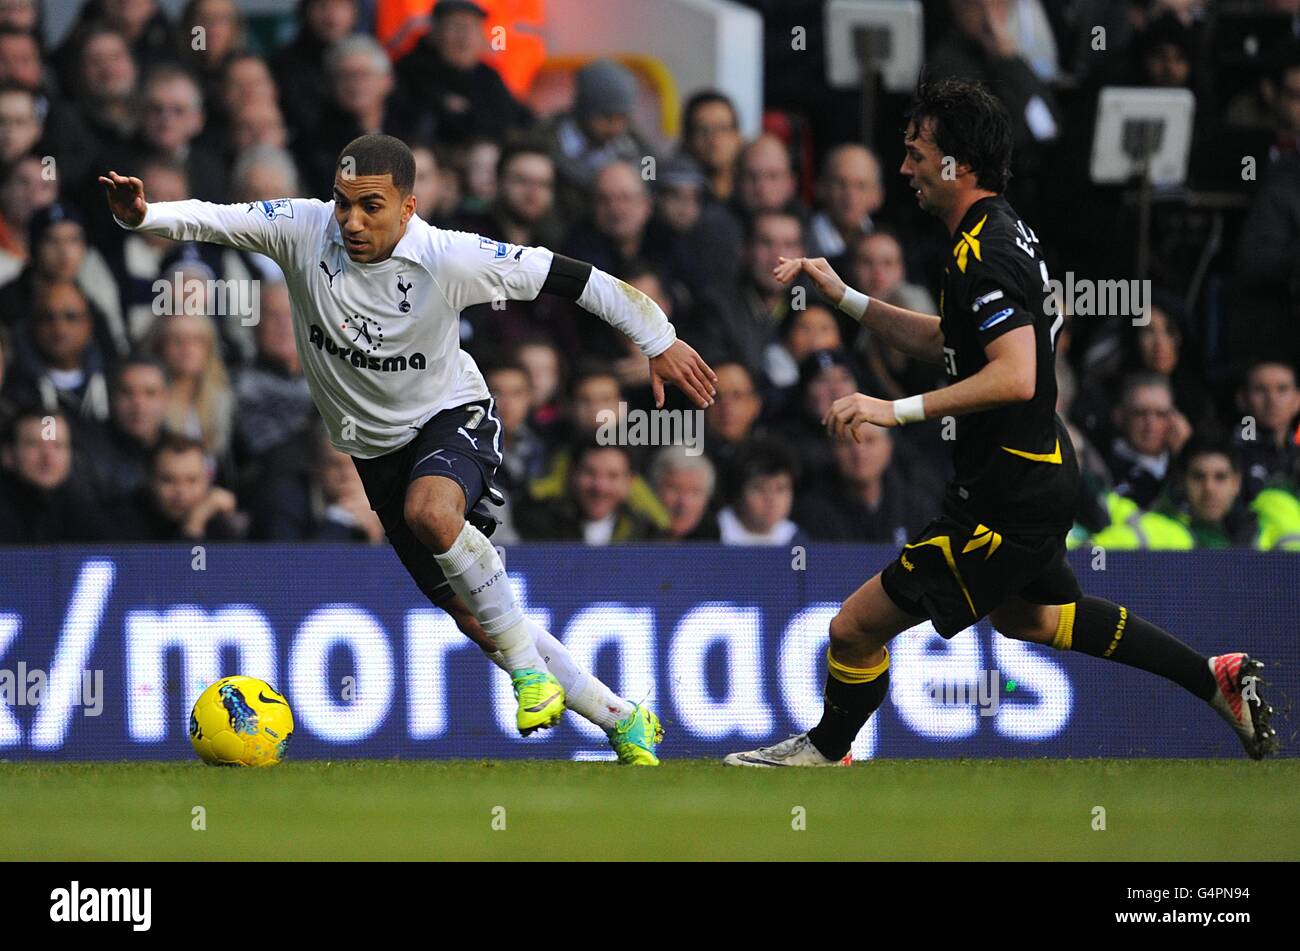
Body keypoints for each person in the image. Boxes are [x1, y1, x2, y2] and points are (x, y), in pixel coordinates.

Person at [100, 132, 717, 765]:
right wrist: (146, 217)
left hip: (453, 415)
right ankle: (622, 718)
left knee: (433, 513)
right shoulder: (302, 229)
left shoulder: (452, 258)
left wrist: (658, 339)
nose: (351, 220)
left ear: (408, 207)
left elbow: (574, 277)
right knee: (476, 620)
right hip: (374, 453)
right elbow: (216, 220)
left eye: (371, 206)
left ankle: (531, 675)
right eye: (343, 203)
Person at [724, 79, 1275, 767]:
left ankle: (825, 750)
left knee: (854, 627)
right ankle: (1212, 676)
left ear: (957, 163)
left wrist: (893, 410)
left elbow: (1016, 374)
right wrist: (847, 298)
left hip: (1004, 496)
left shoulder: (982, 252)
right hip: (1035, 472)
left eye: (916, 153)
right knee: (1030, 618)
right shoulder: (994, 229)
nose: (905, 169)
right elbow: (949, 342)